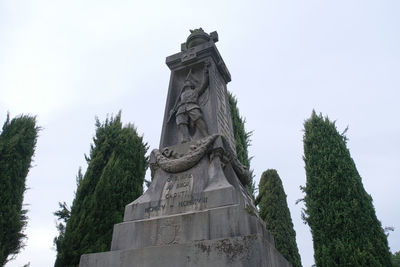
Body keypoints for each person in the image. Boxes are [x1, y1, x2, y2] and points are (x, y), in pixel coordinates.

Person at [168, 64, 210, 143]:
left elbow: (204, 85)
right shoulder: (182, 94)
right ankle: (185, 139)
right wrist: (173, 110)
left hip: (192, 106)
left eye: (188, 81)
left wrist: (206, 74)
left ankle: (206, 135)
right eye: (186, 82)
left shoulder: (195, 91)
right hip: (182, 108)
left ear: (192, 84)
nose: (186, 83)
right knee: (180, 120)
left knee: (198, 118)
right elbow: (179, 103)